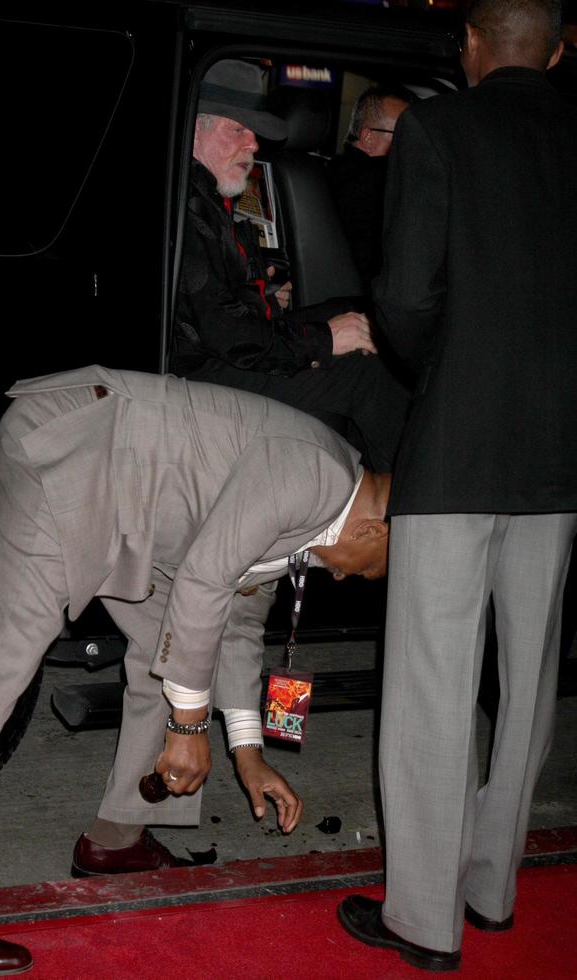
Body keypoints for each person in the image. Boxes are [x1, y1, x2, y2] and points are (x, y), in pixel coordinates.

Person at [0, 365, 392, 975]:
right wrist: (191, 729)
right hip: (74, 455)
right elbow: (202, 583)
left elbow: (237, 622)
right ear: (372, 528)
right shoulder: (314, 476)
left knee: (163, 658)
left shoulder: (328, 508)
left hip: (134, 507)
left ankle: (116, 837)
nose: (345, 577)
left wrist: (248, 751)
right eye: (364, 568)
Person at [337, 0, 577, 972]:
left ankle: (422, 919)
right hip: (561, 450)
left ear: (471, 43)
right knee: (529, 682)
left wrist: (452, 362)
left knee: (436, 679)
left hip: (460, 440)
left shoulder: (438, 125)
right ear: (561, 50)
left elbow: (401, 301)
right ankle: (491, 890)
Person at [172, 59, 411, 472]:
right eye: (237, 130)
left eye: (253, 132)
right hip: (201, 378)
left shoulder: (202, 193)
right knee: (366, 372)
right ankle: (392, 506)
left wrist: (260, 292)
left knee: (353, 317)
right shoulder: (189, 205)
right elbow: (228, 334)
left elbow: (216, 303)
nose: (253, 144)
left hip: (216, 356)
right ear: (196, 128)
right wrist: (323, 340)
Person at [327, 85, 412, 294]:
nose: (410, 144)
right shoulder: (380, 184)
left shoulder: (326, 172)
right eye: (402, 135)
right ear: (368, 136)